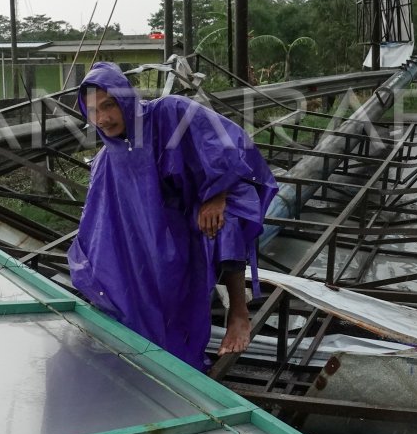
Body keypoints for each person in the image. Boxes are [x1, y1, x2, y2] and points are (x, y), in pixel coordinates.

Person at [68, 62, 278, 371]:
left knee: (226, 222)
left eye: (109, 105)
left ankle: (238, 313)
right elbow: (100, 221)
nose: (103, 118)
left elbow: (230, 144)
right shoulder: (106, 160)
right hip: (159, 228)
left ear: (125, 98)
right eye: (94, 111)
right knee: (127, 270)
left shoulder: (169, 112)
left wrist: (217, 195)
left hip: (202, 205)